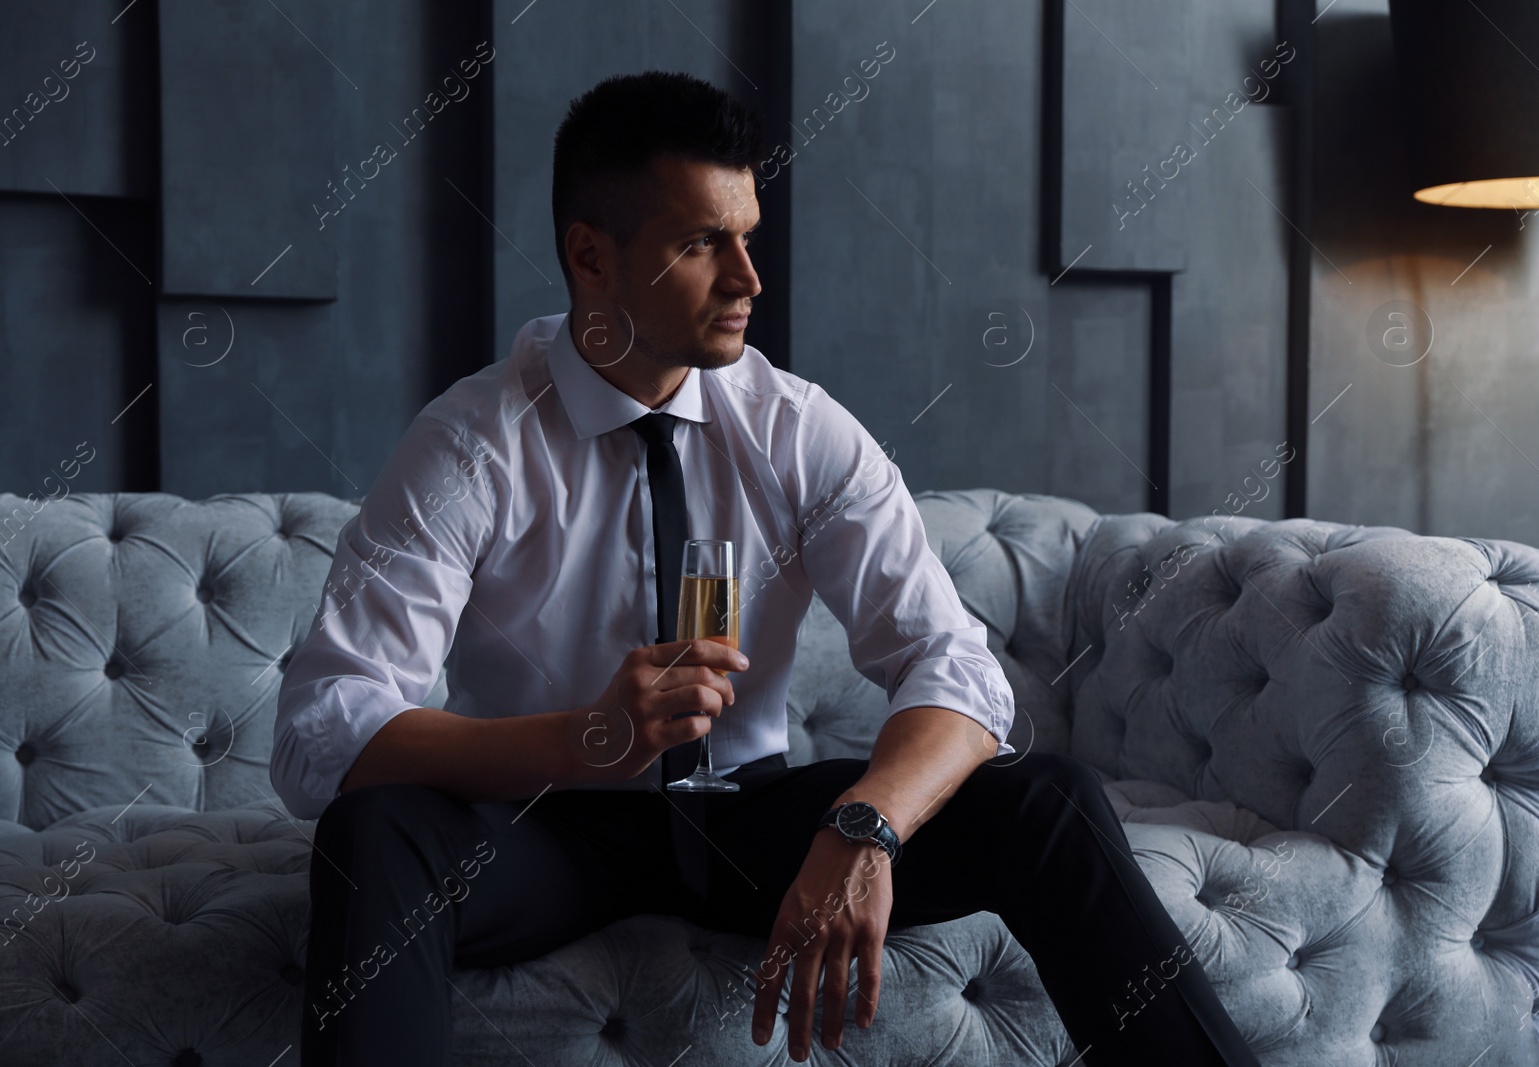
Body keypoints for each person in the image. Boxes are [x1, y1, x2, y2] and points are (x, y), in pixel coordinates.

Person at [271, 69, 1261, 1066]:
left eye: (748, 235)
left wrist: (864, 825)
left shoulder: (795, 427)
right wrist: (587, 737)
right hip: (543, 822)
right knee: (375, 833)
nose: (748, 277)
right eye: (702, 243)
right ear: (590, 257)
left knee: (1045, 799)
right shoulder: (471, 444)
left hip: (747, 820)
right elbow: (325, 730)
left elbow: (954, 670)